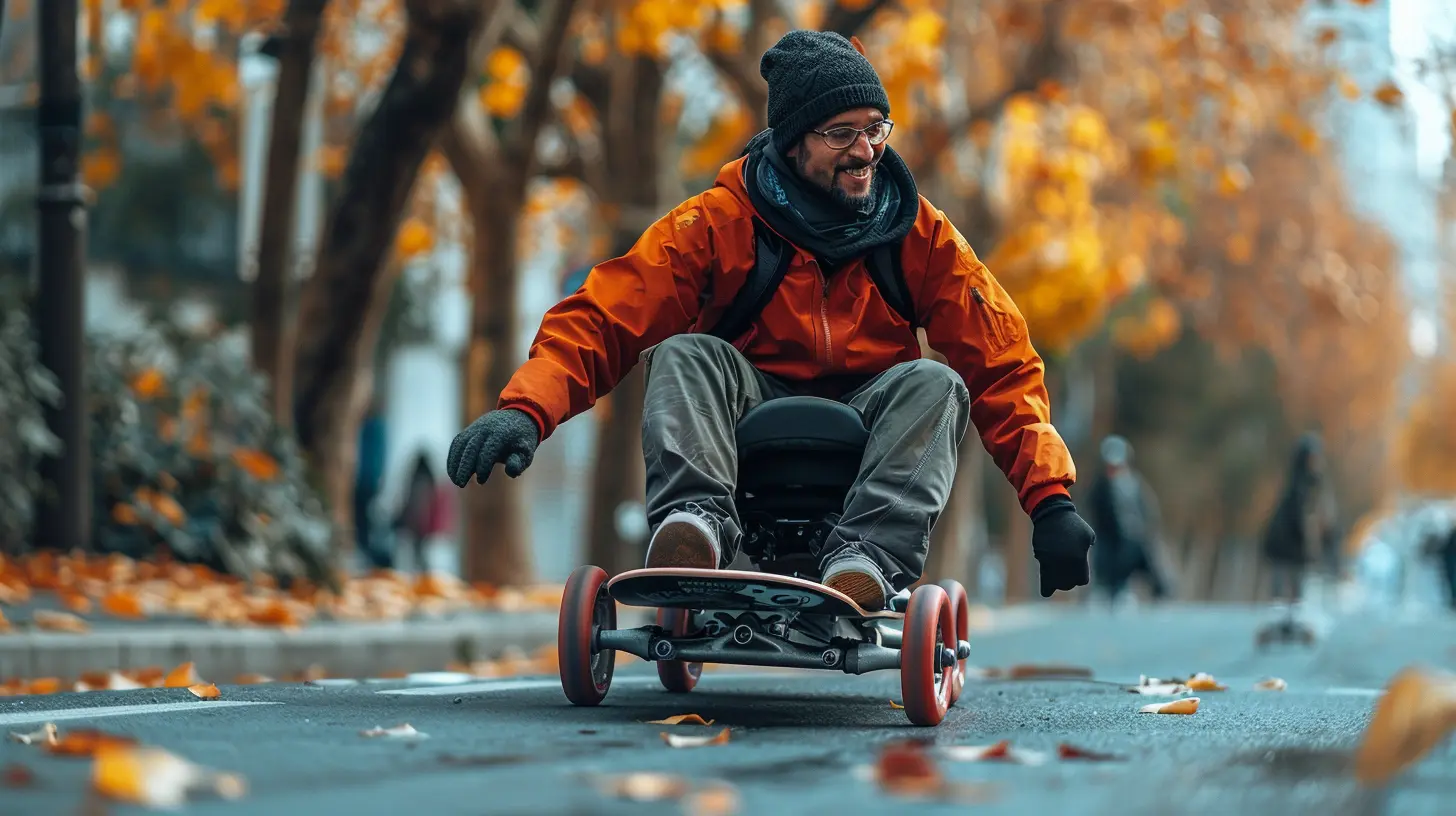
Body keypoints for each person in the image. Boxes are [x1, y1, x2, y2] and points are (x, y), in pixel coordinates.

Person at [446, 30, 1094, 610]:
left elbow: (1001, 360)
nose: (865, 151)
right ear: (792, 141)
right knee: (683, 353)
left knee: (938, 383)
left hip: (872, 420)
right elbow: (610, 312)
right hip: (748, 413)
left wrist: (1049, 500)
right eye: (840, 134)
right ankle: (695, 528)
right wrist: (527, 409)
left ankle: (865, 562)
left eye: (876, 129)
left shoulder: (919, 234)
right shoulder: (718, 222)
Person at [1085, 435, 1171, 604]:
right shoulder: (1099, 488)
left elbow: (1149, 513)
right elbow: (1091, 513)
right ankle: (1108, 590)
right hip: (1106, 543)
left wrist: (1143, 533)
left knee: (1150, 570)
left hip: (1133, 542)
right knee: (1104, 571)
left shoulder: (1135, 485)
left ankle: (1140, 592)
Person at [1261, 431, 1339, 605]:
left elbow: (1324, 521)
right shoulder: (1299, 488)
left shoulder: (1315, 484)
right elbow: (1303, 520)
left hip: (1296, 551)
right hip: (1286, 547)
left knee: (1296, 595)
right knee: (1282, 597)